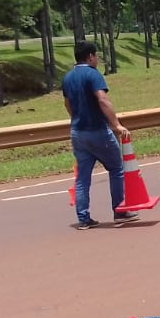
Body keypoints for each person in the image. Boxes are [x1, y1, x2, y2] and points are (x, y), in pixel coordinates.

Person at [62, 40, 136, 230]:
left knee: (83, 177)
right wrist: (116, 124)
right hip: (98, 131)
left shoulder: (68, 77)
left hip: (78, 132)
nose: (98, 59)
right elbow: (102, 99)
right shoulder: (93, 75)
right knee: (116, 168)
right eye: (96, 56)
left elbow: (67, 104)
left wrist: (77, 118)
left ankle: (83, 218)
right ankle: (119, 211)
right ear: (90, 56)